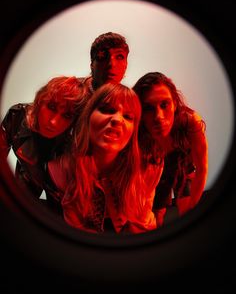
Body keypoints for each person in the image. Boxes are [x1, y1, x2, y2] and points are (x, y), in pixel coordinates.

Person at [48, 83, 163, 234]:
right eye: (107, 110)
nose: (117, 119)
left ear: (133, 131)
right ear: (88, 116)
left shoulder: (148, 169)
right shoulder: (61, 170)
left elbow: (145, 228)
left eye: (128, 117)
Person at [0, 76, 89, 213]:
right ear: (40, 101)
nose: (53, 122)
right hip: (27, 181)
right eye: (51, 107)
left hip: (60, 201)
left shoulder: (75, 143)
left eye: (66, 116)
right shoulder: (17, 116)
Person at [133, 72, 208, 225]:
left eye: (164, 105)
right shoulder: (135, 130)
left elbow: (202, 168)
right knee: (157, 214)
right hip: (155, 169)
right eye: (148, 108)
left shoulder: (190, 121)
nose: (158, 116)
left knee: (187, 208)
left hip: (182, 166)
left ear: (174, 103)